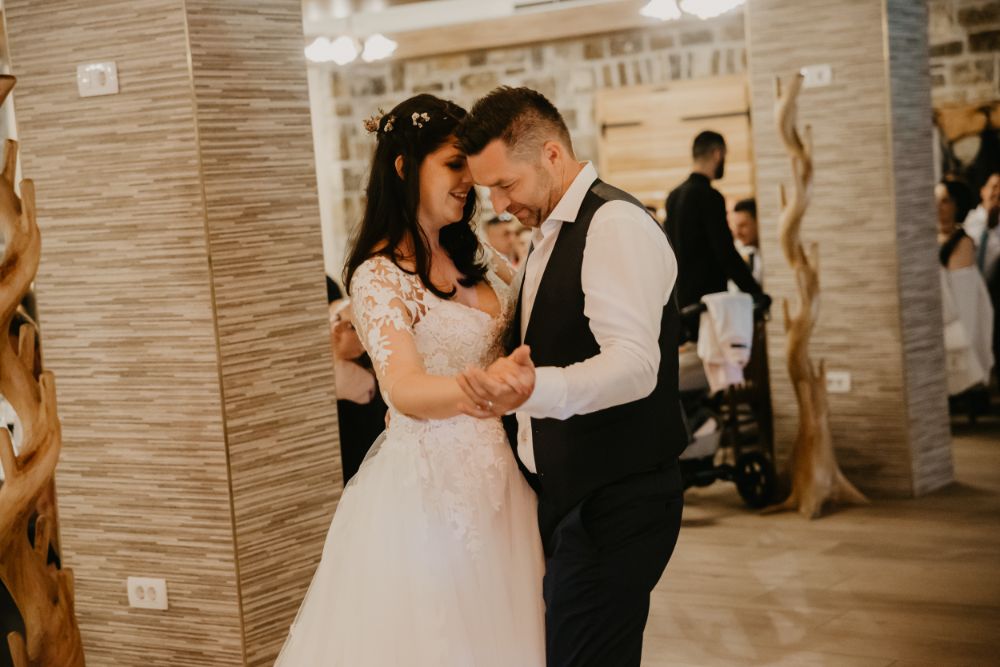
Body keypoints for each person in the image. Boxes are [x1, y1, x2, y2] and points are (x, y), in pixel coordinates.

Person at [274, 94, 545, 666]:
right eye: (454, 164)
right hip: (432, 491)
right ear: (404, 167)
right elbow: (403, 388)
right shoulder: (377, 276)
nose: (469, 182)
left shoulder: (478, 255)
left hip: (505, 480)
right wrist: (484, 387)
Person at [458, 86, 688, 667]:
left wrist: (535, 389)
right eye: (488, 192)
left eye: (506, 185)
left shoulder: (614, 224)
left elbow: (635, 365)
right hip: (568, 497)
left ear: (552, 154)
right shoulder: (547, 238)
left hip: (616, 499)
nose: (500, 205)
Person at [665, 131, 765, 311]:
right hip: (708, 303)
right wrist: (755, 292)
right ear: (717, 154)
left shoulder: (673, 196)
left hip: (680, 301)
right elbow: (724, 250)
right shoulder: (709, 196)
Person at [936, 180, 995, 402]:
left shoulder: (961, 243)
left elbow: (965, 302)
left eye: (945, 201)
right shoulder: (923, 240)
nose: (937, 206)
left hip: (953, 327)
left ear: (956, 205)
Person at [730, 197, 763, 285]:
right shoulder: (752, 254)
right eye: (736, 226)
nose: (737, 233)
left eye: (743, 225)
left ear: (758, 223)